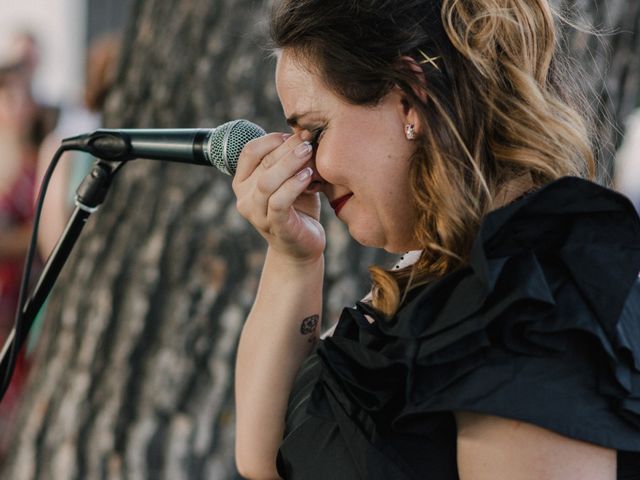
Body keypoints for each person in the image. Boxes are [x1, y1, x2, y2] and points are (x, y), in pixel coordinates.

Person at [232, 0, 640, 479]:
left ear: (411, 96)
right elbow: (266, 458)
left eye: (314, 132)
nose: (308, 171)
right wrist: (294, 256)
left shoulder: (532, 296)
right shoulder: (443, 278)